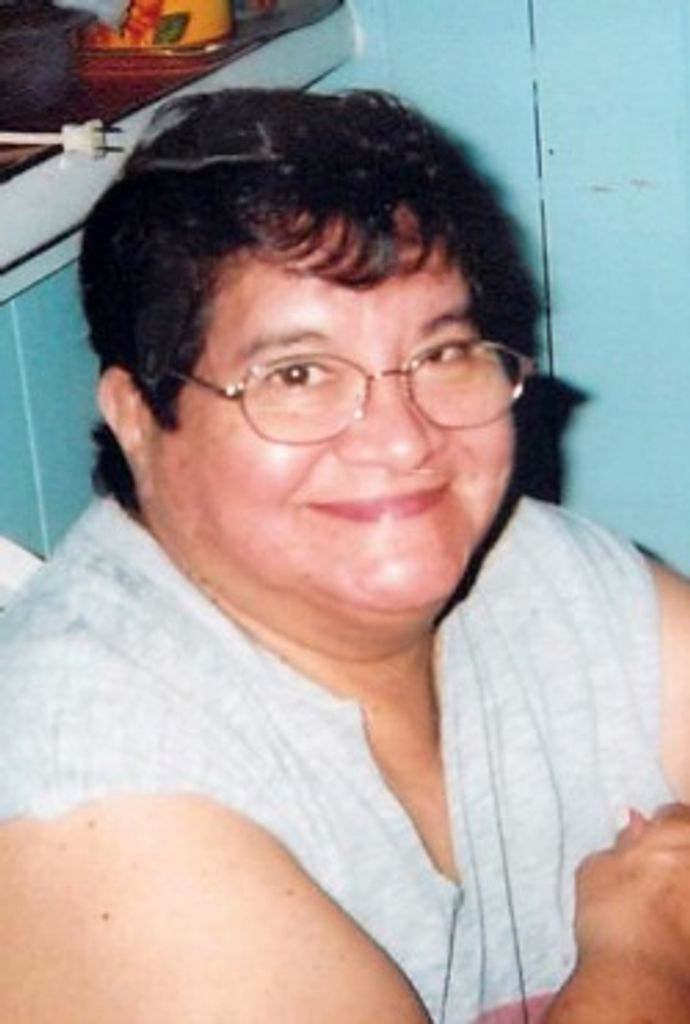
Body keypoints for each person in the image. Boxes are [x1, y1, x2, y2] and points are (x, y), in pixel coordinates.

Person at [0, 87, 689, 1024]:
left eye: (442, 354)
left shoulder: (548, 578)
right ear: (138, 418)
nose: (403, 442)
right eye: (298, 374)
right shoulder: (93, 797)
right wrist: (646, 953)